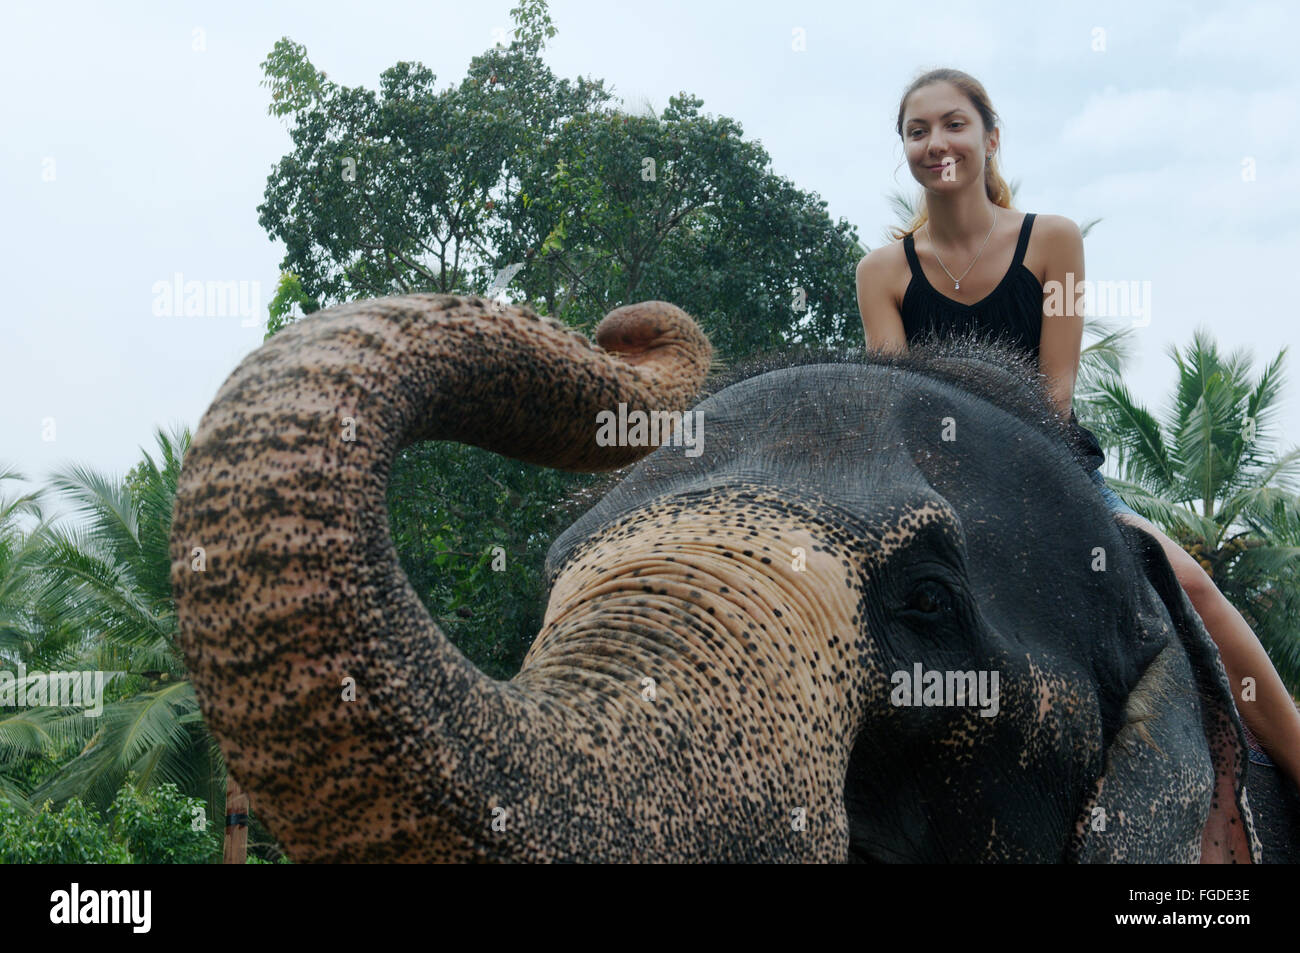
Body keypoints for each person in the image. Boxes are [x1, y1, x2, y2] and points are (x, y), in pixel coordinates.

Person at [855, 67, 1300, 796]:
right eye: (917, 130)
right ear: (904, 146)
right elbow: (898, 409)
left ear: (990, 138)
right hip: (938, 492)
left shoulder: (1051, 241)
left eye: (954, 124)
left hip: (1053, 474)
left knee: (1192, 584)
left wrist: (1015, 496)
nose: (937, 142)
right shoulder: (883, 272)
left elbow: (1055, 395)